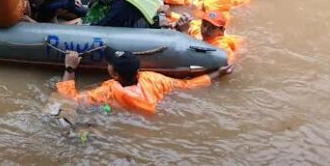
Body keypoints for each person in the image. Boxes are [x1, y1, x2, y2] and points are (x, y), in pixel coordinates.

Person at [57, 48, 233, 115]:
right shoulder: (153, 79)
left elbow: (68, 101)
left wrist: (70, 68)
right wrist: (217, 74)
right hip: (150, 114)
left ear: (114, 74)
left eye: (110, 64)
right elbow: (188, 85)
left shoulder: (107, 91)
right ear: (138, 71)